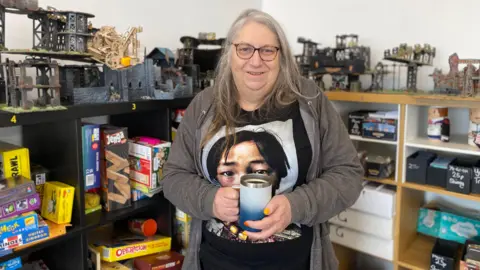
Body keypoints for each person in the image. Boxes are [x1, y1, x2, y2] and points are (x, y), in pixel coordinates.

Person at [161, 8, 364, 270]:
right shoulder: (204, 105)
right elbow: (173, 177)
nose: (255, 61)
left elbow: (348, 175)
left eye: (268, 50)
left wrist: (296, 206)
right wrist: (209, 200)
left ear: (282, 56)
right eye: (245, 49)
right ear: (230, 54)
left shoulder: (310, 101)